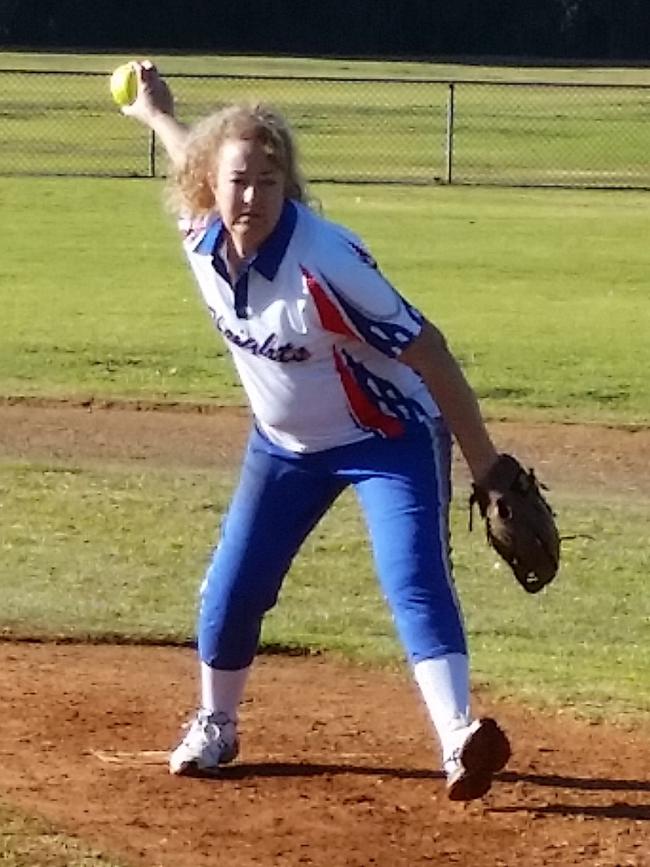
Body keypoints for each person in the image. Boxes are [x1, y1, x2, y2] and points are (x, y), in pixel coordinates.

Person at [121, 60, 511, 801]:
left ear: (286, 187)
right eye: (239, 181)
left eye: (270, 182)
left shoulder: (323, 263)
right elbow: (188, 153)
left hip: (386, 436)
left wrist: (487, 467)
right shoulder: (200, 229)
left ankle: (459, 739)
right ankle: (217, 722)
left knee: (413, 579)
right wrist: (154, 114)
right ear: (212, 185)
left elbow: (429, 348)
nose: (253, 196)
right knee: (232, 590)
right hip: (284, 445)